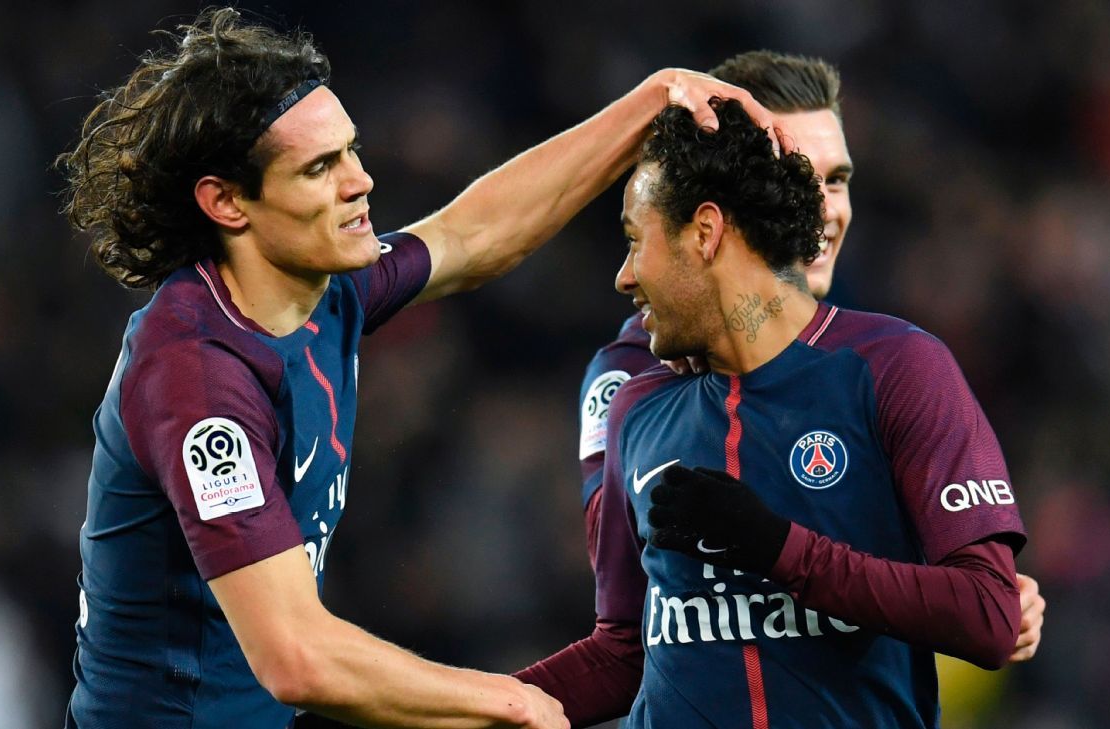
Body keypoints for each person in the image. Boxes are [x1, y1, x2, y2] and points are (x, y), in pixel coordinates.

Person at [57, 8, 780, 728]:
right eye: (319, 168)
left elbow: (474, 234)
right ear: (225, 202)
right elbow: (297, 657)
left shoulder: (323, 287)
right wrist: (510, 701)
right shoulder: (197, 375)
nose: (360, 181)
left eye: (350, 151)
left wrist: (650, 103)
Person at [551, 53, 1044, 715]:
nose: (822, 209)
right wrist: (464, 702)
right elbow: (630, 623)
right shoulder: (632, 383)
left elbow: (983, 607)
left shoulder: (892, 363)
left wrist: (961, 578)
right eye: (797, 175)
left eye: (836, 180)